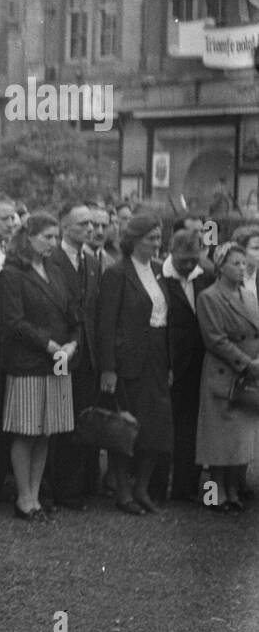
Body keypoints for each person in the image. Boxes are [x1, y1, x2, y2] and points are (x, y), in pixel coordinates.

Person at [0, 212, 76, 521]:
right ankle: (24, 497)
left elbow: (72, 313)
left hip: (58, 360)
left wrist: (72, 344)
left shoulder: (55, 271)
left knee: (47, 430)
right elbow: (14, 321)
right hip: (30, 360)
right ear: (28, 238)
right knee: (27, 429)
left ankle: (35, 495)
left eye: (56, 237)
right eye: (47, 237)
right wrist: (49, 345)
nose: (53, 243)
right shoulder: (13, 273)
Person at [95, 212, 172, 517]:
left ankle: (141, 487)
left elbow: (164, 317)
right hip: (128, 361)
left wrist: (167, 362)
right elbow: (106, 324)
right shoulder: (117, 273)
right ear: (135, 240)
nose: (157, 243)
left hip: (156, 356)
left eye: (158, 237)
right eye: (151, 238)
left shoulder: (157, 270)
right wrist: (108, 368)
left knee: (157, 428)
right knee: (125, 427)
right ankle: (123, 492)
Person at [195, 240, 259, 513]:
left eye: (244, 263)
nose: (242, 268)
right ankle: (213, 495)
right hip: (224, 374)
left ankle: (233, 490)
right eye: (236, 263)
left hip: (249, 375)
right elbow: (215, 340)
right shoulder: (210, 297)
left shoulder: (249, 296)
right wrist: (247, 364)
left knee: (239, 441)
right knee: (217, 443)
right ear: (220, 266)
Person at [45, 201, 99, 510]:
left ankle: (75, 487)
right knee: (58, 423)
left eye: (92, 224)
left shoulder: (91, 262)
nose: (90, 229)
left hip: (86, 353)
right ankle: (58, 488)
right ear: (66, 227)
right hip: (60, 349)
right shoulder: (51, 259)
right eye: (83, 224)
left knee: (80, 421)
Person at [159, 228, 208, 503]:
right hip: (170, 364)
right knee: (170, 426)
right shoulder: (160, 277)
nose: (189, 266)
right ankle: (161, 484)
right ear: (171, 252)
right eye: (183, 260)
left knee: (192, 426)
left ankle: (187, 485)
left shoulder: (205, 277)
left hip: (200, 364)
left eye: (193, 259)